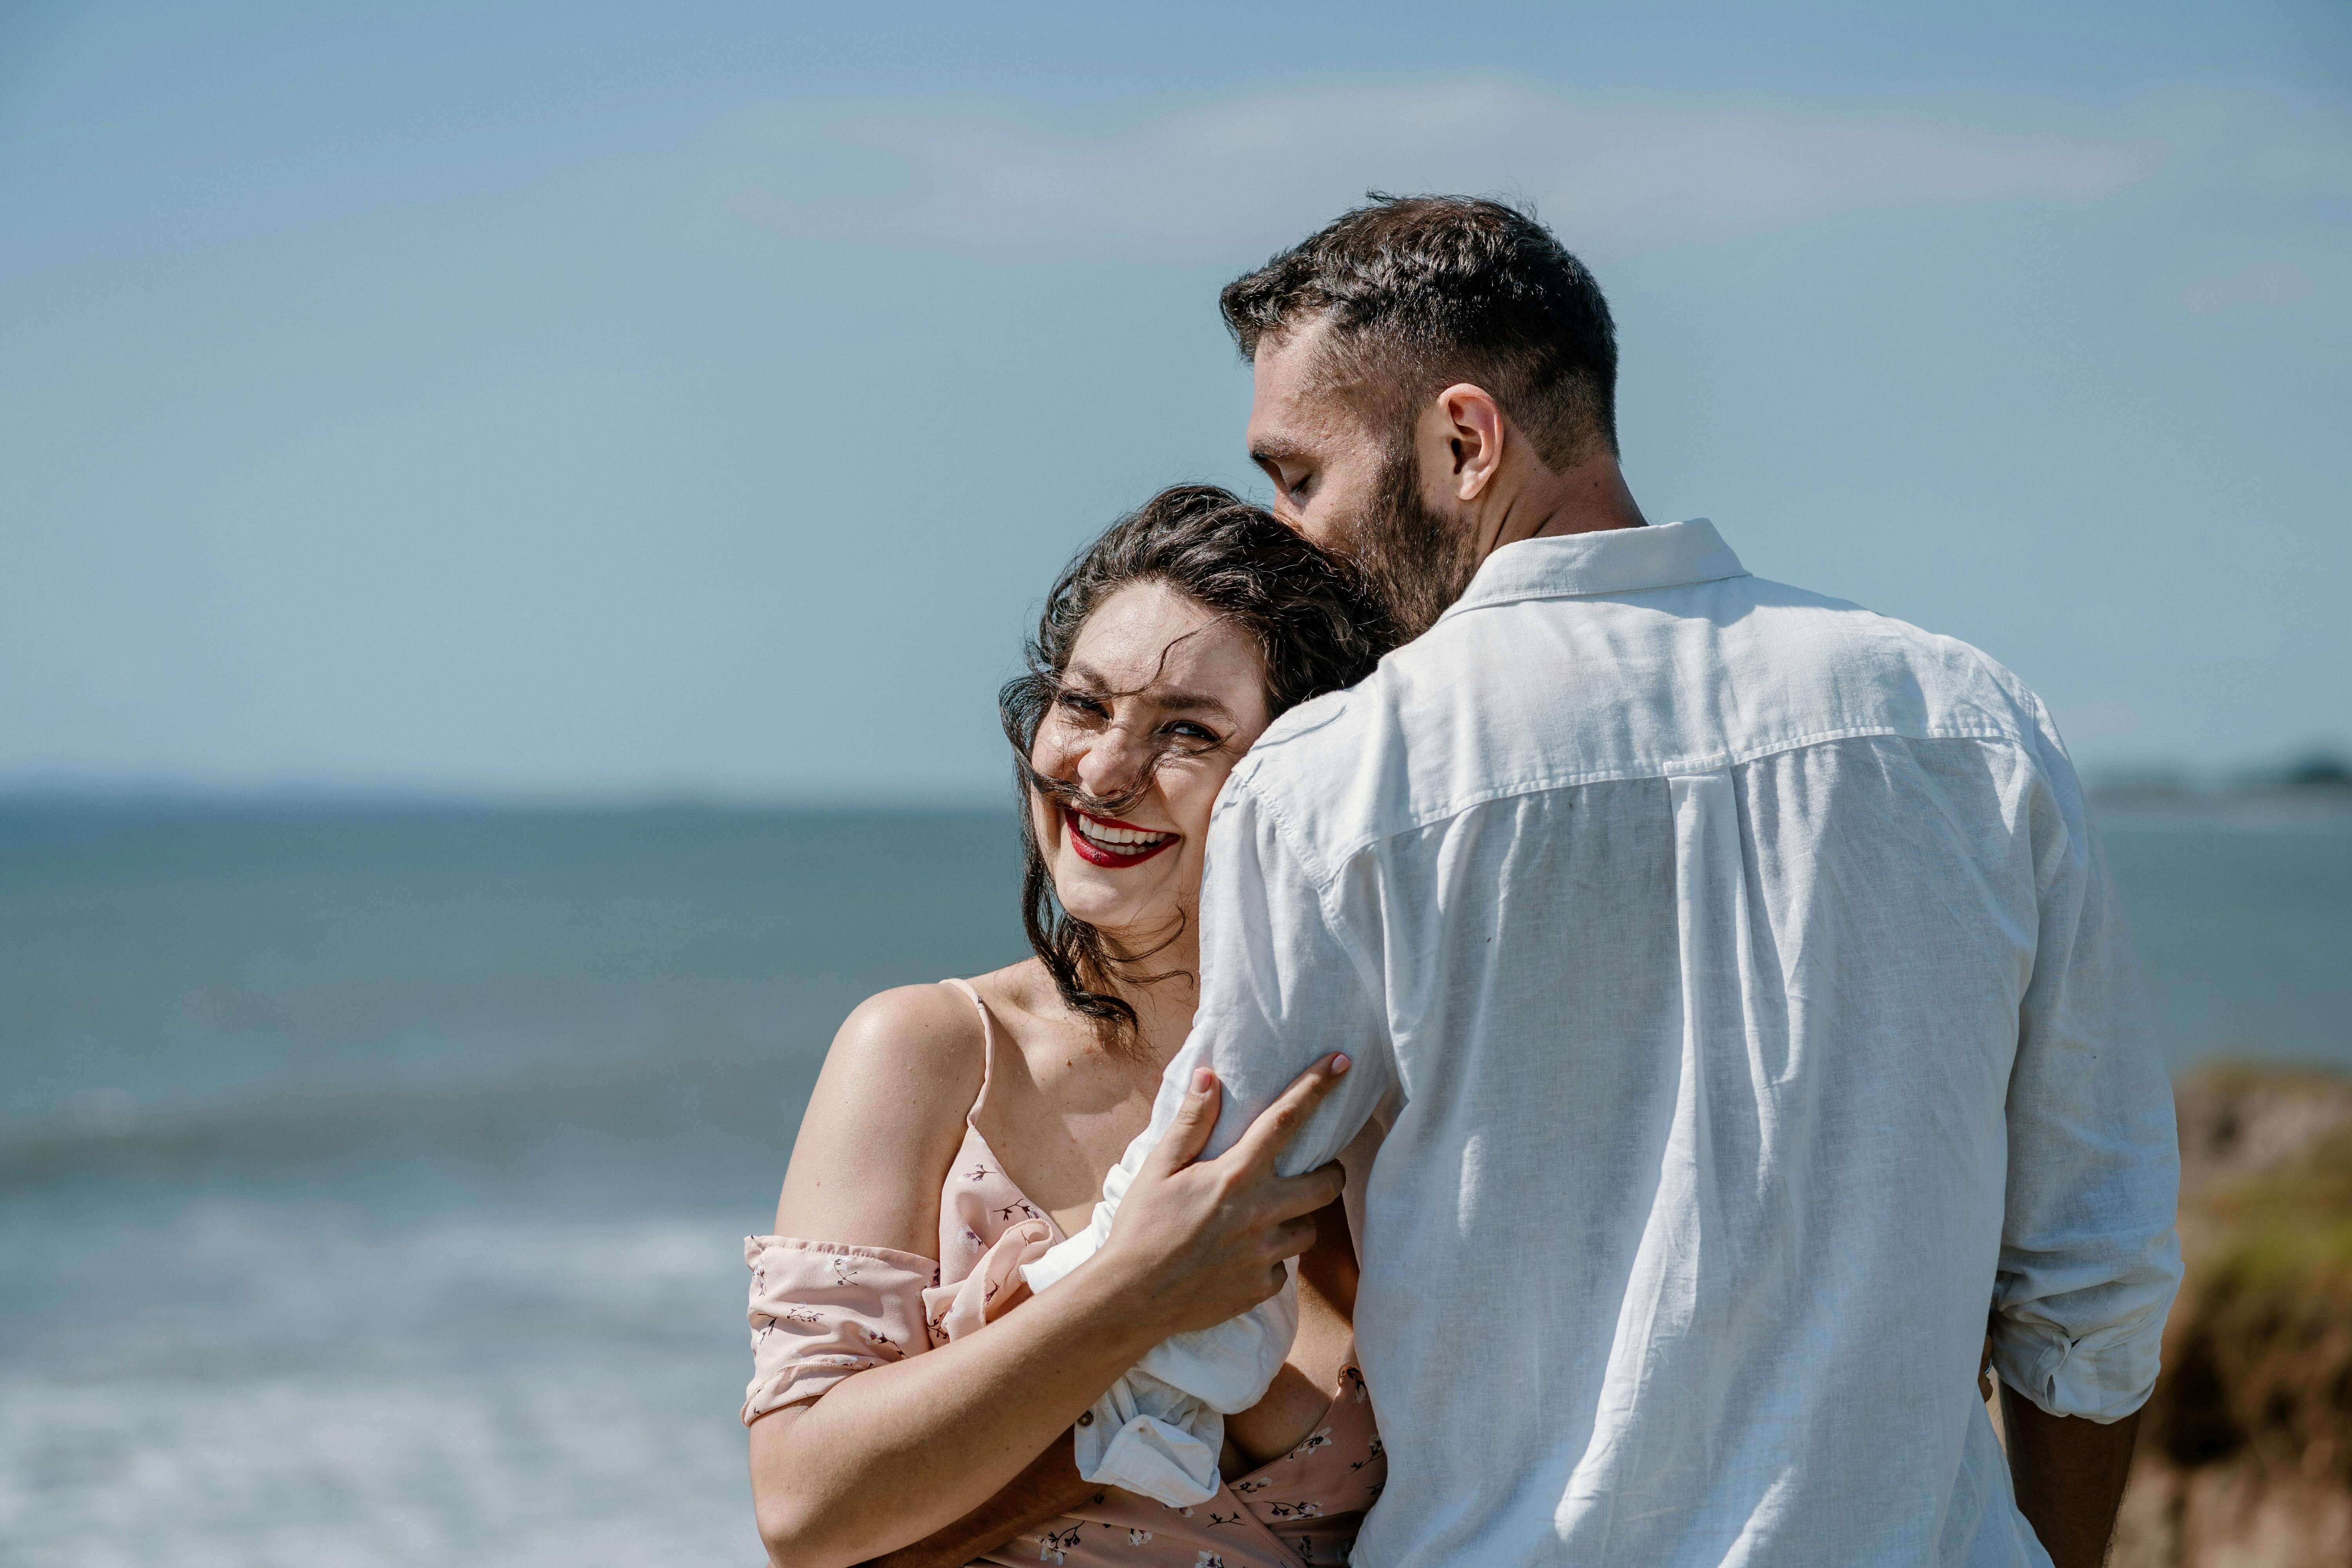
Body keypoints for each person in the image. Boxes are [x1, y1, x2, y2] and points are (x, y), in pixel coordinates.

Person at [1020, 196, 2183, 1568]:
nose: (1289, 534)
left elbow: (1196, 1280)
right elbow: (2093, 1280)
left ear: (1465, 442)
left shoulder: (1342, 778)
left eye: (1301, 476)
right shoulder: (1968, 725)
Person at [742, 485, 1399, 1568]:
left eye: (1186, 731)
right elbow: (804, 1512)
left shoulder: (1381, 1089)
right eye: (1085, 706)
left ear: (1298, 779)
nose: (1102, 773)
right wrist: (1133, 1289)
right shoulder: (931, 1053)